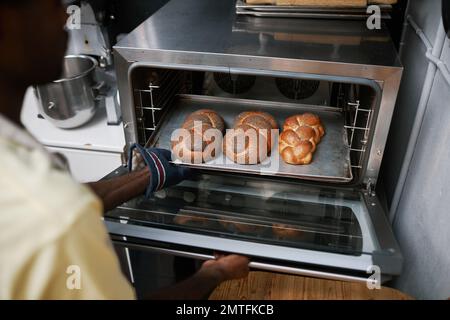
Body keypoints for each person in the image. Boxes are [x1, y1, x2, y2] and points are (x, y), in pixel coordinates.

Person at [0, 0, 249, 300]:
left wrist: (148, 175)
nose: (65, 18)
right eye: (53, 5)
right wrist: (215, 273)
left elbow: (71, 199)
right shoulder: (60, 222)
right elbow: (62, 209)